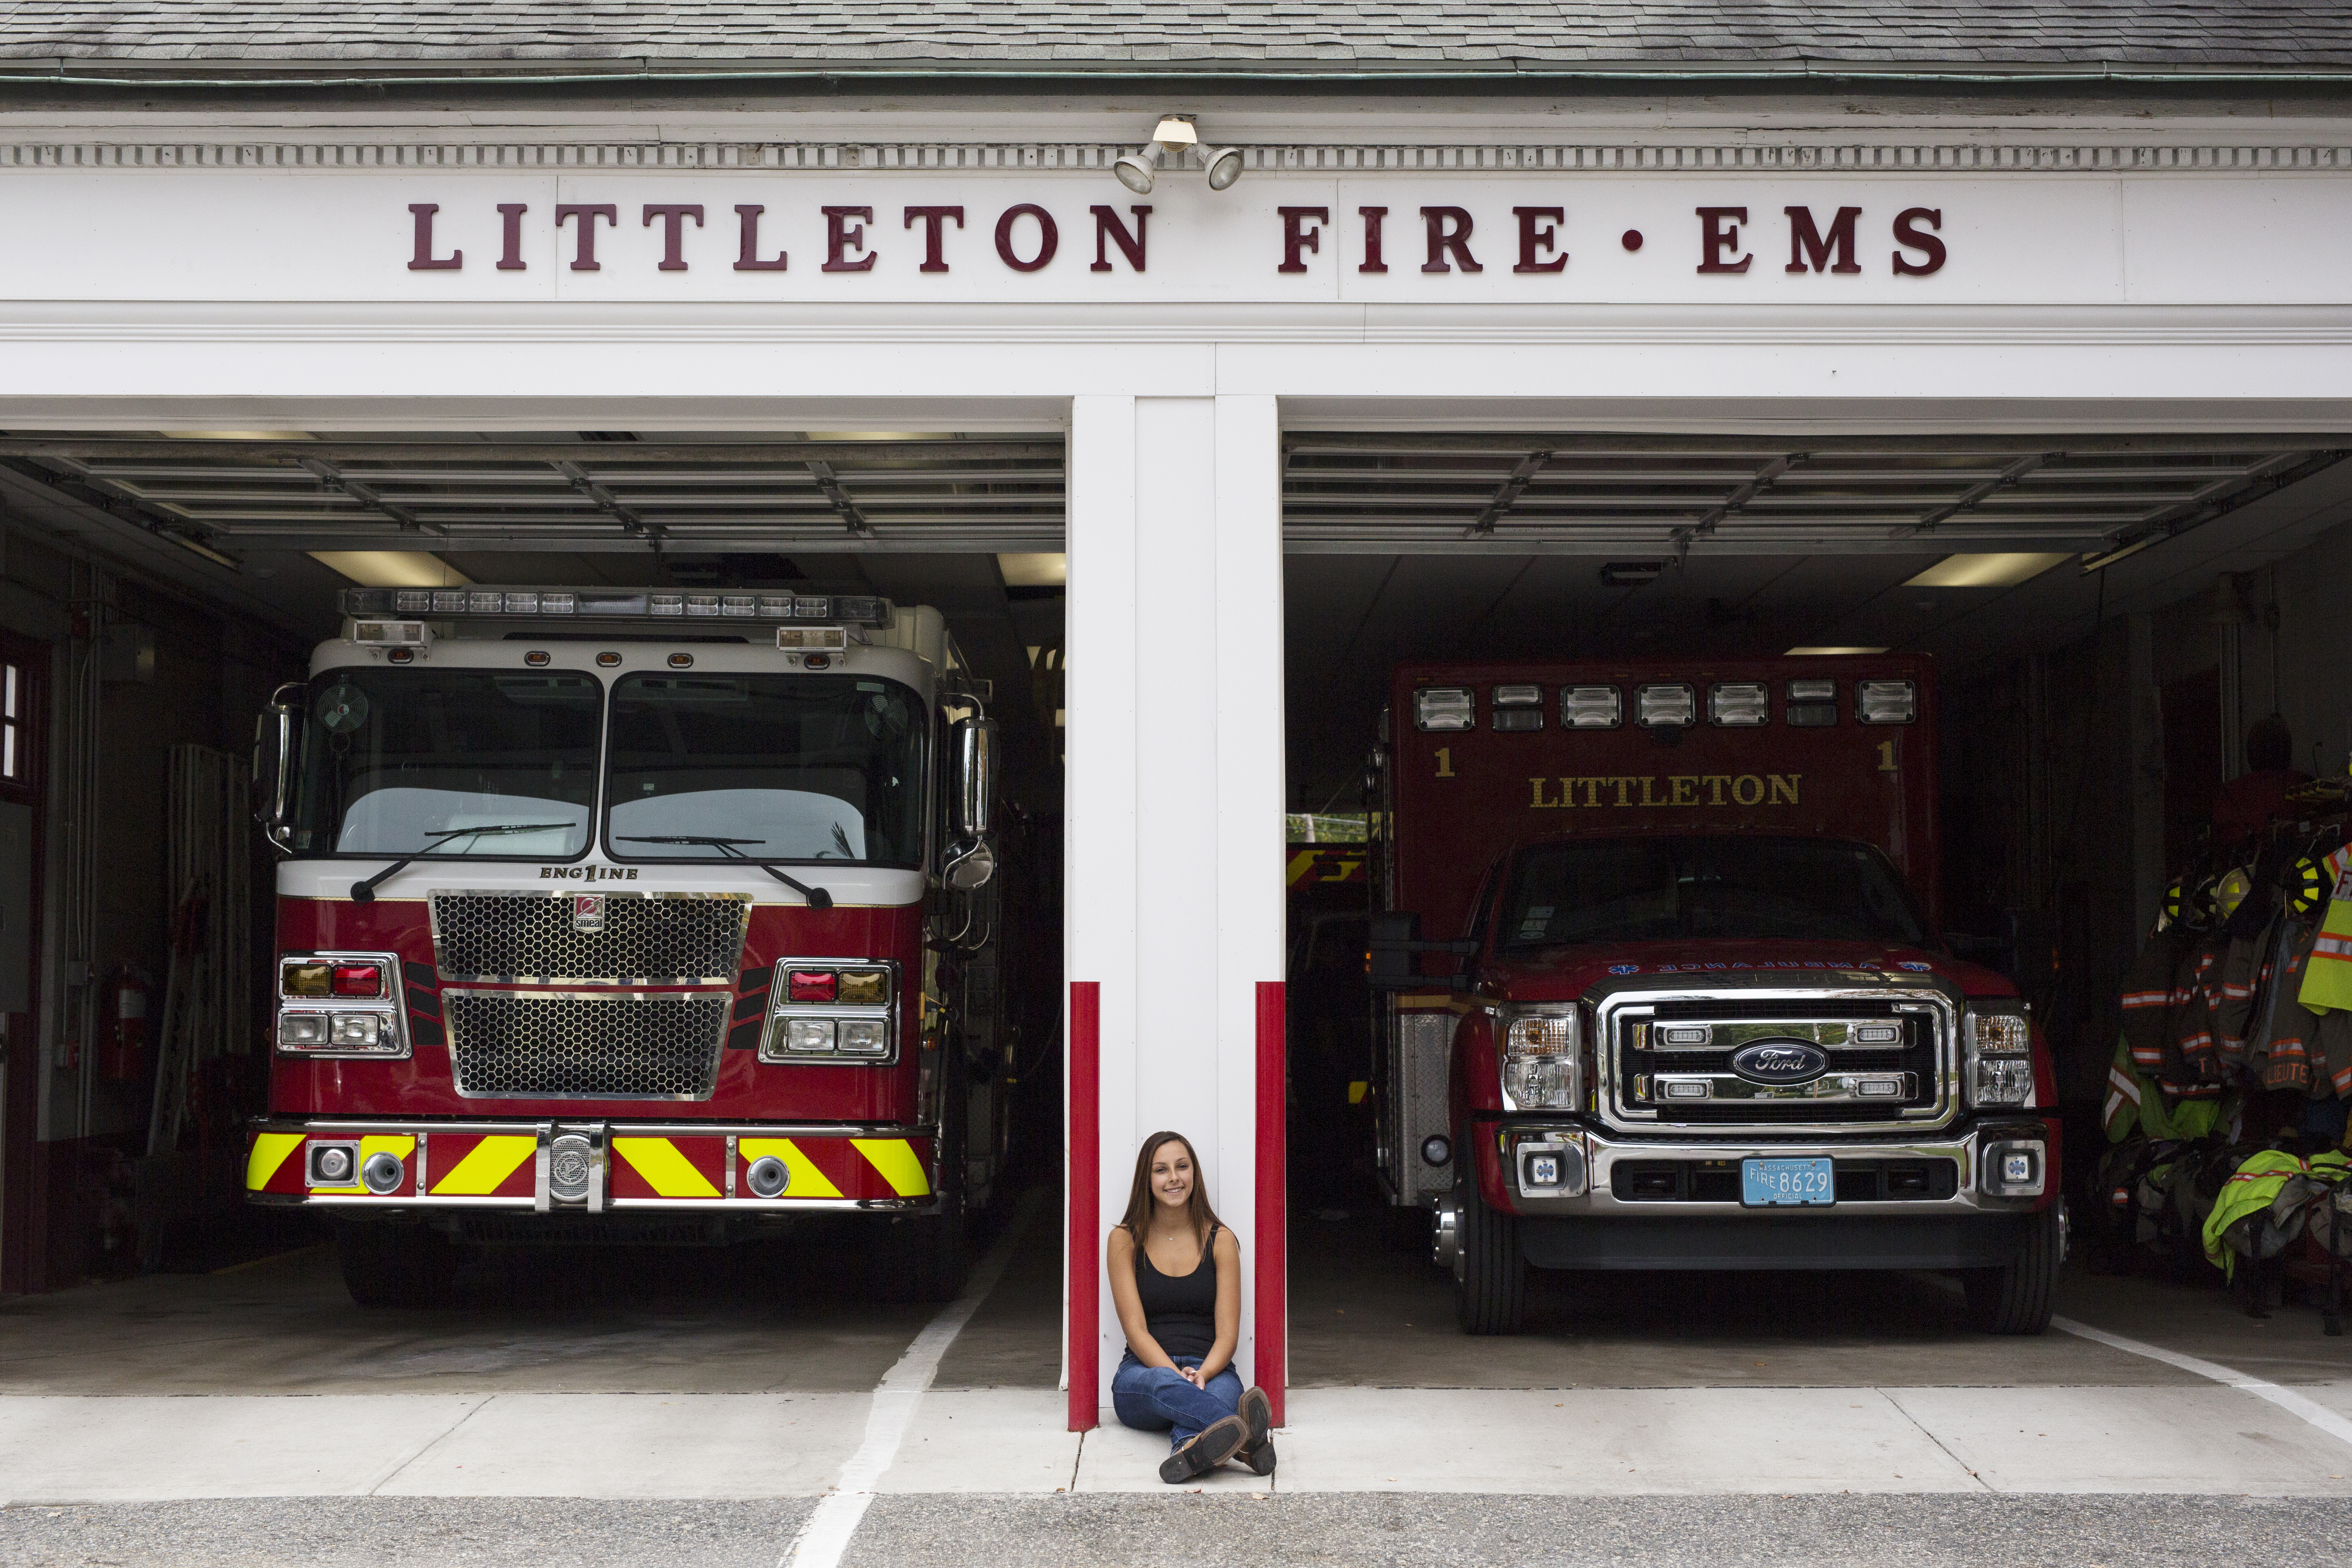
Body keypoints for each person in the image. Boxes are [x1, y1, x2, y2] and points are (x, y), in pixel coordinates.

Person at [1106, 1130, 1276, 1483]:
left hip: (1212, 1371)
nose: (1173, 1178)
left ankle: (1187, 1452)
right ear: (1146, 1179)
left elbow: (1228, 1333)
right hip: (1143, 1375)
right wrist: (1174, 1375)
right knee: (1161, 1385)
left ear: (1194, 1175)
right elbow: (1136, 1331)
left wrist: (1204, 1374)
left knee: (1213, 1400)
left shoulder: (1221, 1240)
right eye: (1161, 1170)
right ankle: (1246, 1442)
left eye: (1182, 1167)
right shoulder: (1124, 1240)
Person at [2212, 715, 2313, 850]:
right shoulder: (2306, 785)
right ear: (2287, 749)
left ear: (2251, 751)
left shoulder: (2232, 793)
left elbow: (2225, 843)